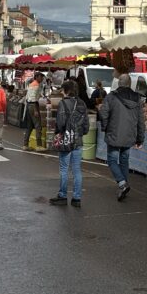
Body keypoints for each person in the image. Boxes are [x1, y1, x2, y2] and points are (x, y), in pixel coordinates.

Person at [98, 73, 145, 201]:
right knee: (124, 160)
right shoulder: (137, 98)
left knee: (112, 160)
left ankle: (122, 183)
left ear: (119, 83)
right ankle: (123, 185)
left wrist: (104, 127)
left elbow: (104, 113)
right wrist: (140, 137)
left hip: (114, 133)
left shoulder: (111, 97)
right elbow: (141, 120)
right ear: (130, 84)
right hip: (129, 134)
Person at [49, 80, 90, 208]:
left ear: (66, 90)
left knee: (64, 169)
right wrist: (78, 133)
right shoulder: (82, 103)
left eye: (62, 90)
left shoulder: (63, 103)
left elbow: (60, 123)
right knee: (77, 170)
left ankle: (62, 195)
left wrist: (60, 133)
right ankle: (76, 198)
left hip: (66, 140)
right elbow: (86, 126)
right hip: (78, 140)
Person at [23, 73, 44, 150]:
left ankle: (25, 145)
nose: (42, 79)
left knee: (29, 126)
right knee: (38, 126)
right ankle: (39, 145)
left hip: (29, 105)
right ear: (37, 77)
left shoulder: (31, 84)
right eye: (41, 77)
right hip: (33, 105)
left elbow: (30, 97)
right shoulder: (36, 85)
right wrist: (35, 110)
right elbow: (34, 98)